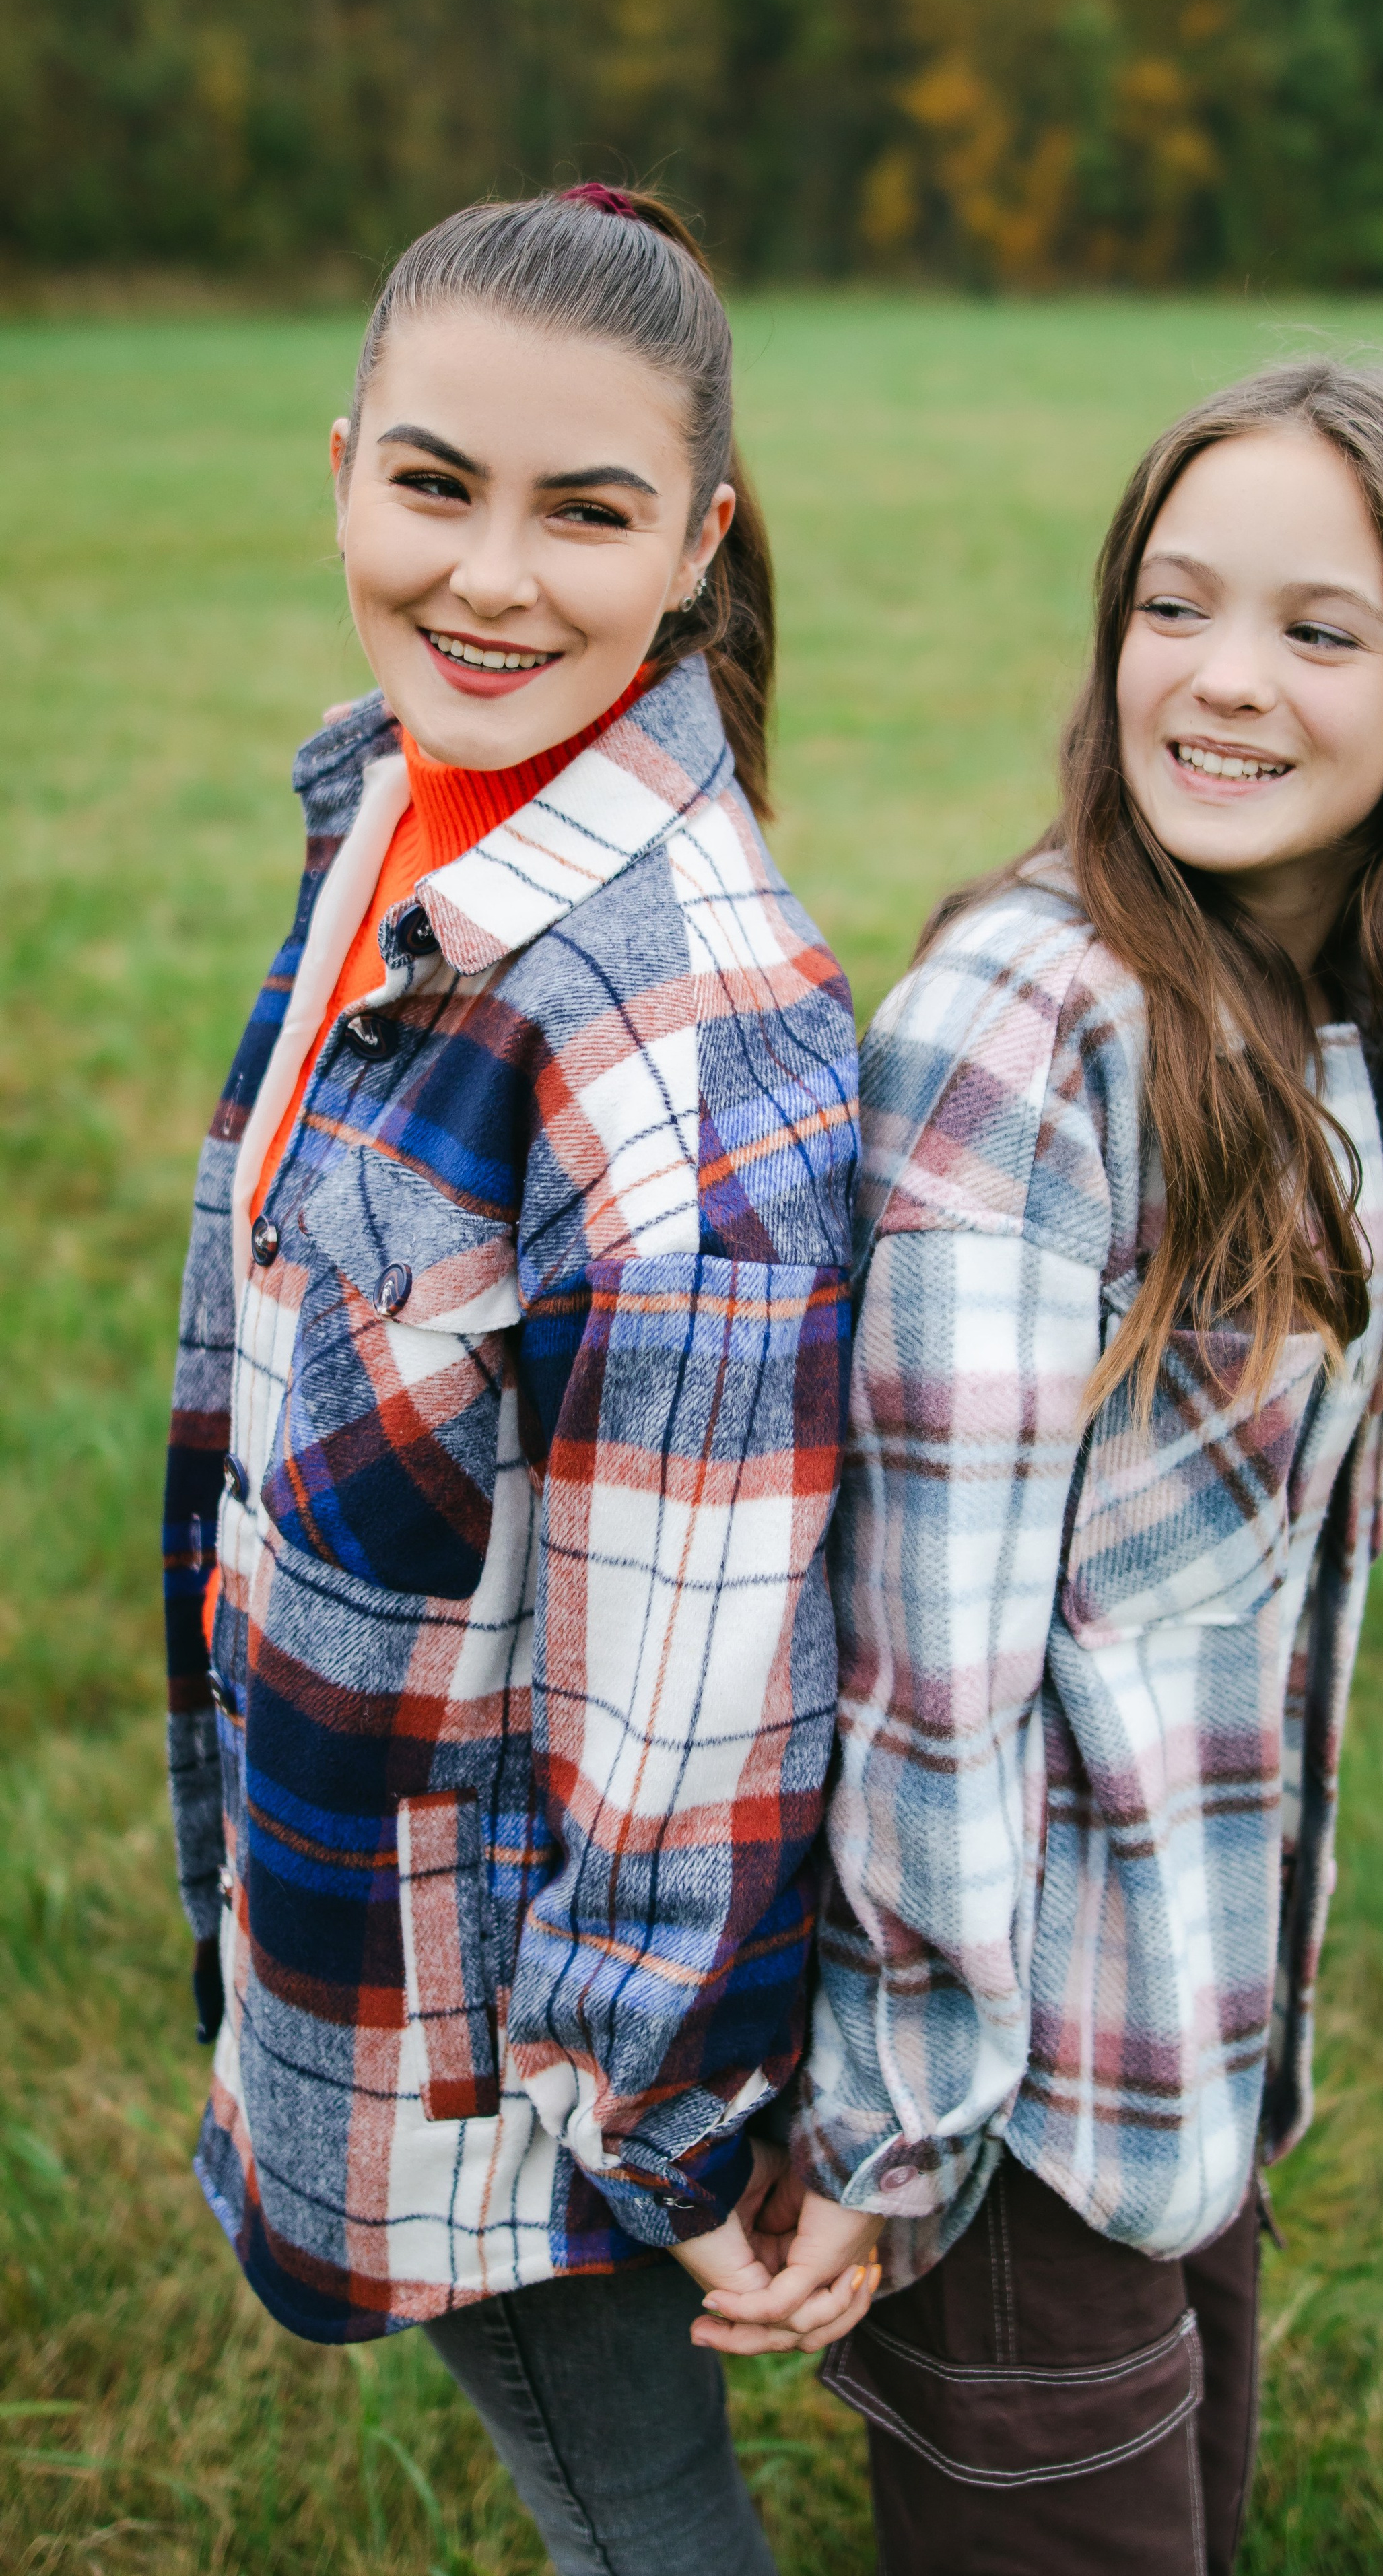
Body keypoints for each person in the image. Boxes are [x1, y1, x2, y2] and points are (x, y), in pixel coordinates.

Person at [697, 360, 1383, 2574]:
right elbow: (927, 1658)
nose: (1220, 679)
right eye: (1173, 607)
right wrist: (891, 2136)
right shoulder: (1032, 1027)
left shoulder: (1336, 1009)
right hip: (1018, 2130)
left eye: (1316, 628)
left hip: (1195, 2061)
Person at [161, 183, 867, 2576]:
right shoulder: (397, 806)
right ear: (344, 463)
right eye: (438, 484)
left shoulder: (670, 1031)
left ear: (698, 549)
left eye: (588, 513)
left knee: (638, 2520)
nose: (491, 576)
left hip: (518, 2055)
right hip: (359, 1888)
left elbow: (687, 1691)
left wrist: (644, 2124)